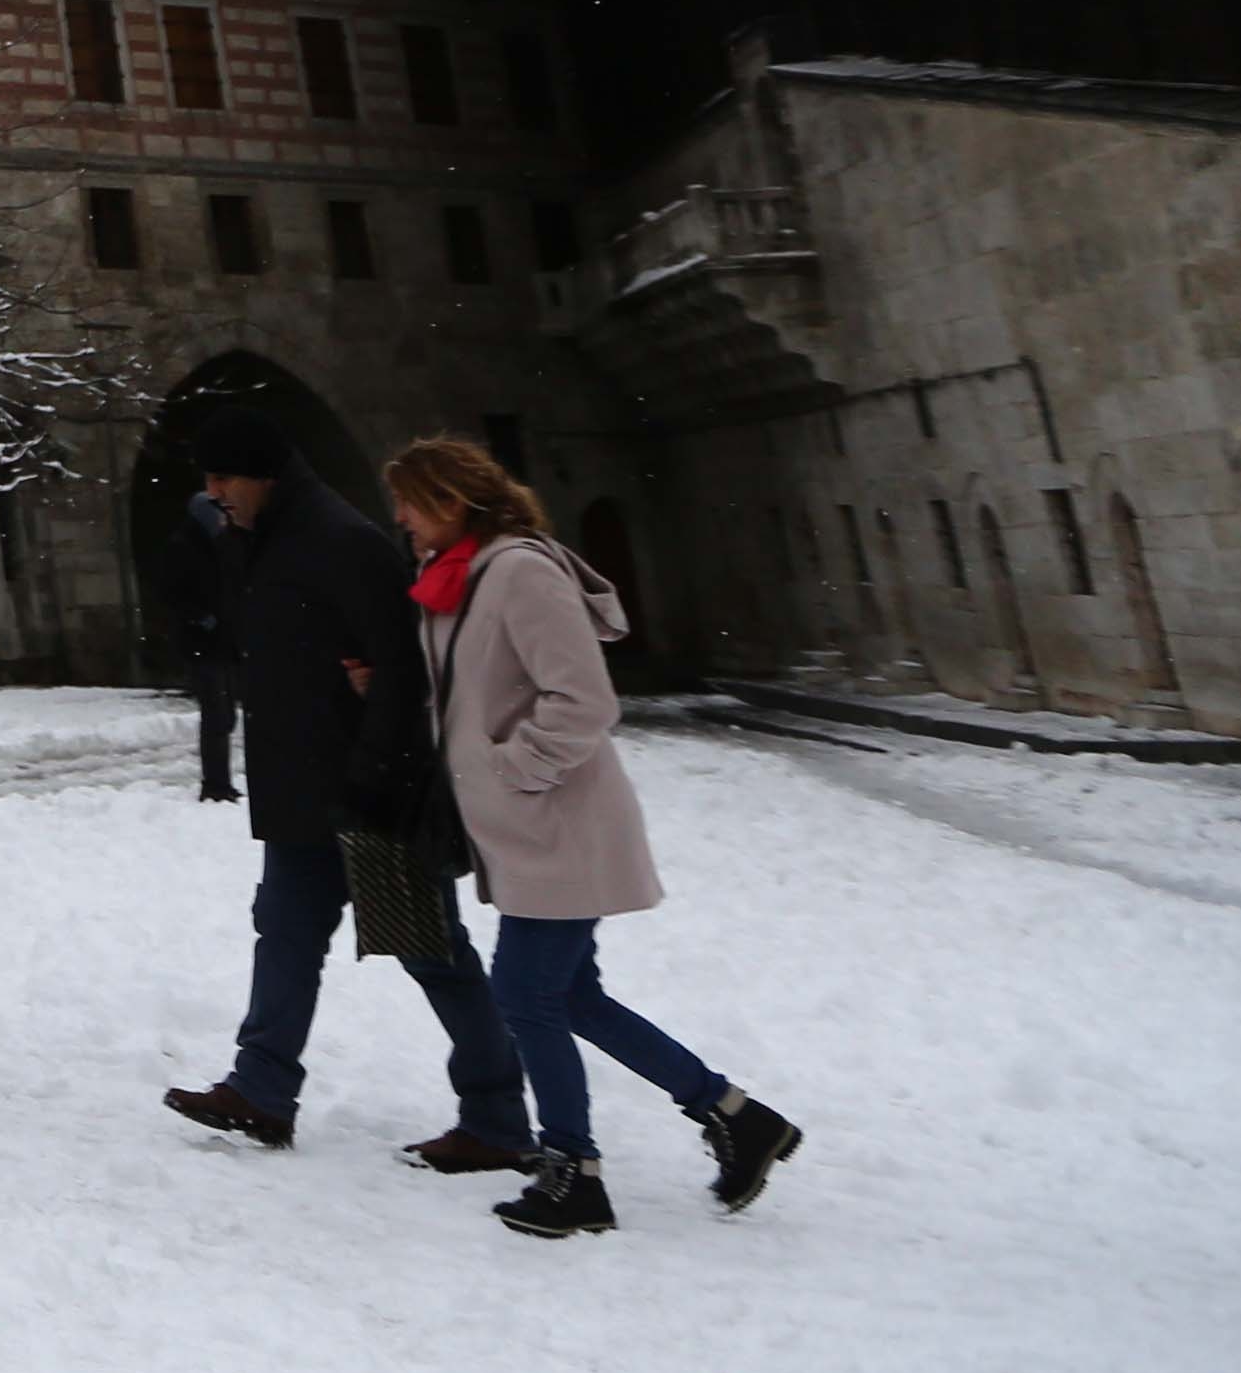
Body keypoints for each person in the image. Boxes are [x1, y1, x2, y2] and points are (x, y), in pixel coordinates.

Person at [388, 436, 803, 1237]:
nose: (400, 517)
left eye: (408, 500)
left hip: (560, 825)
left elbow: (582, 699)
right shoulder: (463, 580)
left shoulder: (517, 573)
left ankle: (574, 1170)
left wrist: (512, 771)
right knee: (570, 996)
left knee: (525, 996)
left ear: (447, 500)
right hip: (526, 831)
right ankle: (736, 1117)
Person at [156, 406, 532, 1172]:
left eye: (224, 476)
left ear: (262, 475)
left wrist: (372, 776)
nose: (214, 491)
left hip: (372, 792)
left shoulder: (343, 541)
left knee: (433, 953)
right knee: (285, 937)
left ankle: (497, 1117)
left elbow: (398, 672)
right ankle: (261, 1088)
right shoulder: (253, 542)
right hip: (301, 791)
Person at [164, 492, 244, 802]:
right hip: (201, 642)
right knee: (215, 712)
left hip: (223, 641)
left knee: (226, 714)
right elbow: (172, 593)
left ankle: (220, 780)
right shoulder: (183, 547)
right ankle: (215, 783)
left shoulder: (223, 545)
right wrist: (198, 616)